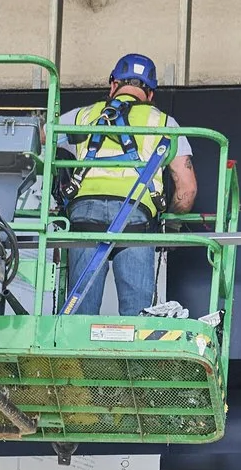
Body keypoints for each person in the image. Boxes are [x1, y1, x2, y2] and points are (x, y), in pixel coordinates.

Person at [56, 53, 198, 314]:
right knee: (137, 319)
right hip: (135, 218)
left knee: (79, 317)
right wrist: (172, 224)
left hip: (85, 215)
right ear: (151, 94)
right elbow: (187, 190)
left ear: (113, 85)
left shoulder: (84, 116)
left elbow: (37, 136)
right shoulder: (165, 123)